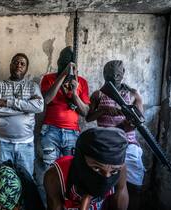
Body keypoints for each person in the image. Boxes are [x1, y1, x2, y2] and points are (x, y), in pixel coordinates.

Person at [86, 60, 145, 210]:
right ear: (104, 75)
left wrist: (128, 119)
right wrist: (103, 110)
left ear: (123, 73)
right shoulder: (98, 94)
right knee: (103, 188)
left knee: (135, 185)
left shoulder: (132, 94)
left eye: (118, 74)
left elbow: (139, 121)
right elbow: (88, 117)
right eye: (110, 74)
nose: (114, 77)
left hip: (128, 144)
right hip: (105, 146)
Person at [36, 46, 90, 203]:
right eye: (64, 61)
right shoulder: (49, 78)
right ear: (59, 62)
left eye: (70, 62)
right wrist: (63, 76)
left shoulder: (81, 82)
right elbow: (46, 100)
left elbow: (85, 112)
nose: (67, 63)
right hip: (50, 131)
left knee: (70, 173)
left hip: (72, 134)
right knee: (49, 173)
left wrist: (74, 93)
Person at [44, 127, 129, 210]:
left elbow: (119, 206)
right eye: (97, 168)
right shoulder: (56, 175)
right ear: (80, 161)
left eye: (113, 171)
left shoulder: (120, 170)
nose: (106, 177)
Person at [0, 53, 44, 176]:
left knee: (26, 181)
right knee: (3, 181)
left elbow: (39, 107)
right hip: (3, 144)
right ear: (10, 65)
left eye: (22, 64)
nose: (18, 65)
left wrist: (7, 102)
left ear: (26, 69)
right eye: (16, 62)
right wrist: (28, 108)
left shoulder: (32, 86)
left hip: (26, 144)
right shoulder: (0, 85)